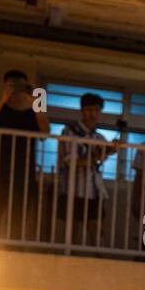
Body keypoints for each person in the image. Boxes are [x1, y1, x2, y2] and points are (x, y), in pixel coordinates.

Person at [0, 70, 50, 241]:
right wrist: (3, 98)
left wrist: (36, 102)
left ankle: (13, 249)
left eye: (20, 86)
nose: (16, 90)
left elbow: (45, 133)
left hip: (23, 173)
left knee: (17, 218)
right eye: (12, 85)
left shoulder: (33, 111)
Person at [57, 92, 114, 246]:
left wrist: (107, 151)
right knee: (70, 235)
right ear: (82, 110)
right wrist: (97, 154)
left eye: (96, 110)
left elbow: (99, 159)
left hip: (94, 191)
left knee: (97, 234)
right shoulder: (69, 132)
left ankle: (99, 265)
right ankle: (65, 265)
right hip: (72, 190)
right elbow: (71, 161)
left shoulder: (99, 138)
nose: (93, 114)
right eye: (89, 110)